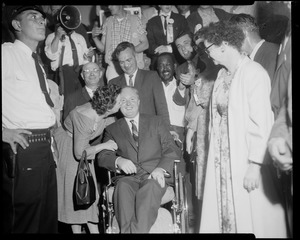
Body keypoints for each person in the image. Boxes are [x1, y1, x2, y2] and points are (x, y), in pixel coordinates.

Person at [196, 21, 287, 237]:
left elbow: (262, 122)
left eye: (209, 49)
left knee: (251, 218)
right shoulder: (221, 75)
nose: (208, 56)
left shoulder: (253, 72)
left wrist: (255, 165)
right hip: (222, 162)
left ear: (224, 44)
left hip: (245, 161)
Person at [2, 5, 57, 233]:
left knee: (46, 223)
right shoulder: (6, 53)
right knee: (24, 224)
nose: (41, 21)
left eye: (42, 18)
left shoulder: (36, 61)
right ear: (16, 24)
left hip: (45, 149)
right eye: (32, 17)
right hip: (24, 148)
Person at [97, 86, 180, 233]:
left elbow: (171, 148)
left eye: (132, 99)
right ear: (117, 104)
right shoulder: (112, 129)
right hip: (128, 178)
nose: (128, 104)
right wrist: (118, 161)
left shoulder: (156, 122)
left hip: (154, 175)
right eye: (123, 100)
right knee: (122, 188)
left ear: (139, 101)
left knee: (149, 187)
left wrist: (160, 168)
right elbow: (103, 156)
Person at [53, 84, 122, 233]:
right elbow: (79, 153)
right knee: (79, 194)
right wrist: (103, 146)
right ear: (109, 107)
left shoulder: (103, 112)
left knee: (87, 195)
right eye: (120, 101)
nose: (123, 103)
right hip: (68, 149)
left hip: (81, 147)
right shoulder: (85, 117)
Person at [109, 41, 171, 128]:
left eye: (128, 60)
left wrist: (167, 130)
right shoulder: (113, 83)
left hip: (150, 131)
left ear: (136, 56)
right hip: (125, 134)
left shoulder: (152, 77)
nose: (126, 65)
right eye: (121, 62)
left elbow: (162, 108)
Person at [44, 14, 94, 102]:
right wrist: (57, 37)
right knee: (69, 102)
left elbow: (86, 59)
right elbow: (51, 55)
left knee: (84, 100)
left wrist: (89, 56)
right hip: (66, 73)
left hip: (81, 72)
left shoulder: (79, 37)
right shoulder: (52, 37)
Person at [91, 5, 149, 82]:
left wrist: (128, 52)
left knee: (133, 92)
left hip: (132, 65)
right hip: (113, 67)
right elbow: (102, 48)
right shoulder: (108, 21)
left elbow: (145, 44)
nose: (109, 7)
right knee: (113, 92)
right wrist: (94, 38)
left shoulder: (135, 19)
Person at [229, 13, 279, 84]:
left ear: (243, 32)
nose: (231, 44)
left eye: (231, 38)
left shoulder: (272, 55)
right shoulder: (262, 54)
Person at [146, 5, 188, 70]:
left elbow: (186, 39)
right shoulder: (151, 22)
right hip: (158, 61)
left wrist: (169, 48)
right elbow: (150, 46)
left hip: (178, 60)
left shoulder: (181, 19)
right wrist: (161, 50)